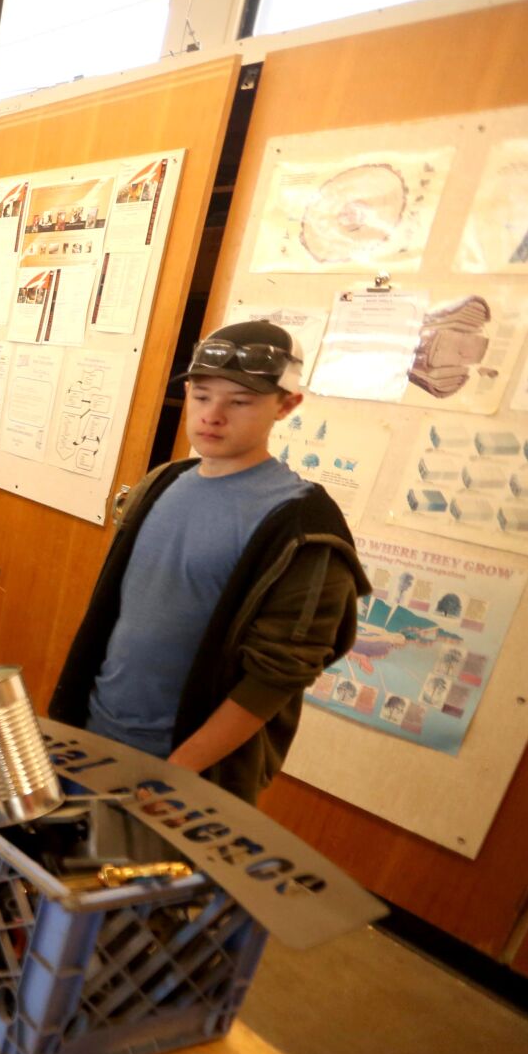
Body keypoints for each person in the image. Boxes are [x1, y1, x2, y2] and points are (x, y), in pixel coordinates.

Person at [48, 321, 368, 804]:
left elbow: (276, 676)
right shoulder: (161, 483)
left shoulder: (302, 527)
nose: (213, 415)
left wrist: (177, 773)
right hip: (91, 736)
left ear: (287, 405)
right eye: (201, 396)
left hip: (187, 777)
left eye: (239, 402)